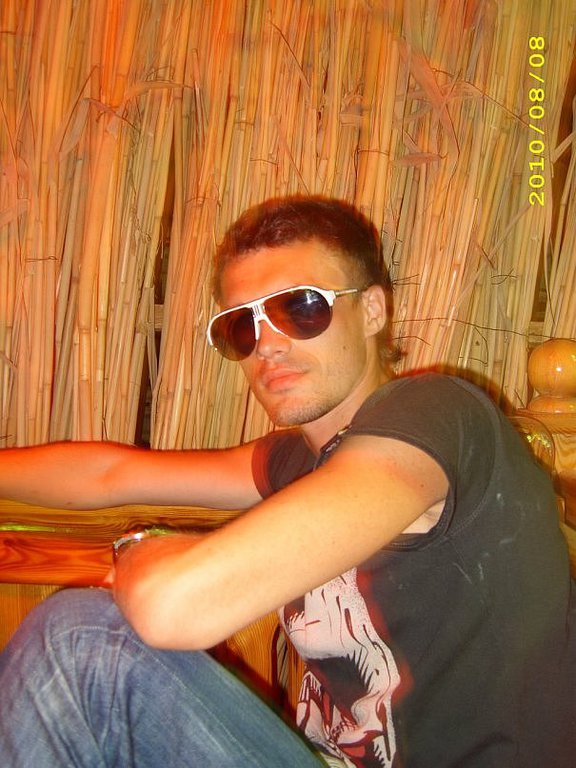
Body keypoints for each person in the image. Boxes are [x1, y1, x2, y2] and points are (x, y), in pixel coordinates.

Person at [0, 196, 574, 768]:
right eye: (241, 326)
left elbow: (172, 606)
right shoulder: (297, 461)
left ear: (372, 310)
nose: (267, 343)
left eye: (300, 307)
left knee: (78, 641)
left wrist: (138, 549)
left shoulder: (439, 415)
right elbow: (112, 474)